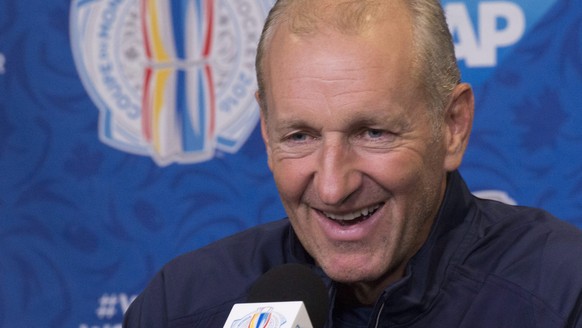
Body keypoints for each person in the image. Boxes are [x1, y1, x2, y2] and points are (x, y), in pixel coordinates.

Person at [123, 0, 582, 326]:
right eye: (300, 136)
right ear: (266, 130)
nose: (331, 187)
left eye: (373, 133)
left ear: (453, 126)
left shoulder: (563, 293)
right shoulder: (178, 305)